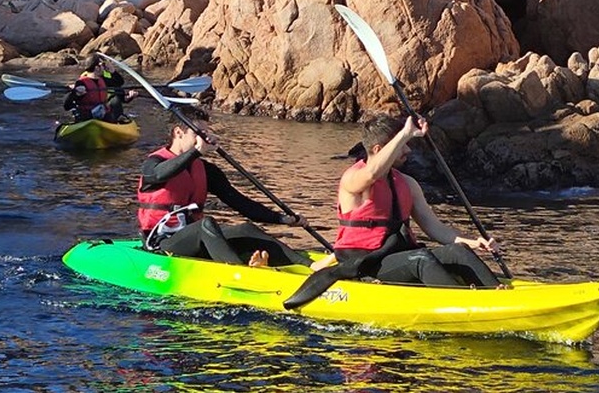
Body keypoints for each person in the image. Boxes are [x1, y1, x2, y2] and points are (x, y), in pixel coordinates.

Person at [318, 114, 503, 288]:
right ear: (379, 150)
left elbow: (435, 228)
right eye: (403, 145)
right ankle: (463, 306)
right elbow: (372, 173)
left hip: (397, 255)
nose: (408, 150)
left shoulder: (408, 183)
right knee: (420, 259)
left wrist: (474, 242)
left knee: (458, 251)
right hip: (362, 260)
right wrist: (404, 133)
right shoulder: (353, 178)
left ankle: (499, 291)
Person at [137, 105, 312, 267]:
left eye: (206, 133)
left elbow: (239, 202)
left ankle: (308, 265)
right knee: (206, 225)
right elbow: (158, 174)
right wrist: (196, 151)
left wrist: (281, 218)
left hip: (194, 239)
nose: (203, 138)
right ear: (178, 133)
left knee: (245, 228)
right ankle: (241, 272)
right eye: (198, 133)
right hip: (161, 242)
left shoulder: (205, 169)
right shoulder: (154, 163)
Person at [63, 55, 138, 123]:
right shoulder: (81, 83)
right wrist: (74, 94)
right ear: (97, 68)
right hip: (86, 117)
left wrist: (113, 71)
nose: (104, 68)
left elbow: (118, 82)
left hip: (102, 115)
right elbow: (67, 106)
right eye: (102, 65)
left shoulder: (102, 80)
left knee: (114, 106)